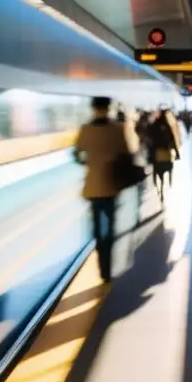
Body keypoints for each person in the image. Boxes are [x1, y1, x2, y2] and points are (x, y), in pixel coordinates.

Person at [73, 97, 129, 282]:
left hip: (92, 187)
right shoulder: (117, 129)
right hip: (111, 185)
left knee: (97, 229)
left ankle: (101, 264)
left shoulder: (85, 129)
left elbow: (77, 155)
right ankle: (107, 269)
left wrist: (89, 161)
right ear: (108, 108)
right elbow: (125, 153)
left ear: (93, 109)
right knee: (110, 228)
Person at [147, 111, 179, 203]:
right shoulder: (167, 127)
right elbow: (172, 140)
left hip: (156, 153)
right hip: (166, 153)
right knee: (169, 168)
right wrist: (176, 153)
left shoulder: (153, 126)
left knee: (157, 171)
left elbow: (150, 140)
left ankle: (159, 189)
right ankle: (169, 182)